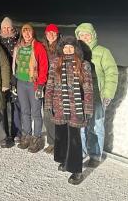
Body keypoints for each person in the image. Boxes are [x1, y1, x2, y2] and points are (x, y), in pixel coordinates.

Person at [45, 36, 93, 185]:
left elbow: (88, 88)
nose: (68, 50)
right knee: (61, 135)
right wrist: (48, 104)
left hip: (76, 108)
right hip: (59, 106)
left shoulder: (83, 65)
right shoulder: (55, 63)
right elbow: (50, 84)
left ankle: (76, 169)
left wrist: (88, 108)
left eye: (71, 47)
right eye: (65, 47)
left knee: (74, 138)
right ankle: (65, 160)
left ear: (76, 49)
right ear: (61, 49)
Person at [75, 23, 118, 167]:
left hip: (97, 96)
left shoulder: (103, 52)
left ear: (93, 36)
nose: (84, 38)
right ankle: (79, 153)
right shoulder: (76, 52)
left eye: (87, 35)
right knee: (80, 127)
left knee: (95, 126)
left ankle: (95, 154)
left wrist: (107, 94)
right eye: (81, 35)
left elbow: (111, 73)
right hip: (80, 96)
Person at [12, 23, 49, 153]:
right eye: (24, 32)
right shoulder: (19, 46)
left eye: (29, 32)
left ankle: (37, 138)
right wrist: (14, 81)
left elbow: (44, 66)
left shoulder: (38, 46)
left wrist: (40, 84)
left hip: (33, 83)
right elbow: (15, 64)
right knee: (25, 111)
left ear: (32, 33)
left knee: (36, 113)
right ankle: (26, 136)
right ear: (22, 33)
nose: (26, 34)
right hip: (21, 82)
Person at [0, 17, 21, 142]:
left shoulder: (19, 40)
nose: (6, 30)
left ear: (12, 28)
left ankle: (16, 132)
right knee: (3, 106)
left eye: (8, 27)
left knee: (16, 104)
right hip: (1, 78)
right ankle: (5, 132)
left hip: (16, 76)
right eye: (4, 28)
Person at [42, 23, 61, 154]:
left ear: (57, 34)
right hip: (46, 85)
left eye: (53, 32)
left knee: (59, 114)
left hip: (58, 85)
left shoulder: (62, 47)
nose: (51, 35)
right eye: (49, 32)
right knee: (48, 114)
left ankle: (60, 143)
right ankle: (51, 142)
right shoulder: (43, 47)